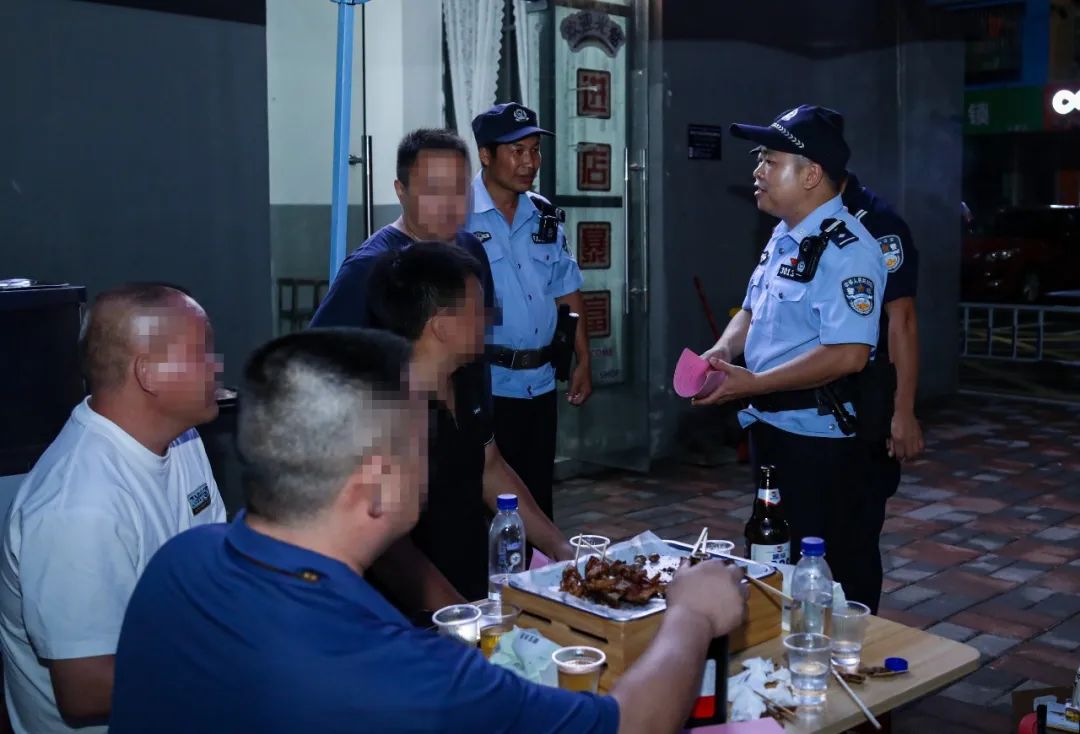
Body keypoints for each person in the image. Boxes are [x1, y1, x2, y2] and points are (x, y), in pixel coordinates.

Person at [109, 328, 749, 734]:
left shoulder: (178, 563)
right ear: (376, 482)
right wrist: (691, 614)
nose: (431, 465)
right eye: (421, 445)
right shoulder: (409, 675)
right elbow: (631, 724)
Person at [0, 283, 225, 734]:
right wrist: (246, 658)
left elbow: (215, 560)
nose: (216, 366)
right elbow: (85, 690)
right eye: (202, 353)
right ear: (149, 374)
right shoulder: (77, 508)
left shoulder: (182, 437)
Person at [693, 105, 887, 607]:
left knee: (832, 573)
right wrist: (723, 349)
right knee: (776, 558)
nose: (757, 171)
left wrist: (755, 383)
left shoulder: (849, 250)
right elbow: (751, 310)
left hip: (821, 444)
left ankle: (848, 652)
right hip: (771, 429)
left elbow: (848, 354)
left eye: (770, 160)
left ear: (811, 175)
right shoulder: (786, 234)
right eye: (759, 159)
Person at [365, 242, 571, 612]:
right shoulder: (385, 411)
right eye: (478, 310)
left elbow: (490, 468)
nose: (490, 320)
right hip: (420, 619)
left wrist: (558, 545)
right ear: (442, 327)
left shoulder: (466, 378)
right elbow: (391, 552)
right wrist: (464, 617)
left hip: (477, 589)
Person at [467, 102, 592, 523]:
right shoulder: (457, 216)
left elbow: (566, 289)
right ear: (486, 155)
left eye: (535, 151)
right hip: (485, 386)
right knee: (484, 510)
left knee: (537, 501)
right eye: (517, 151)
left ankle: (534, 568)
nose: (530, 162)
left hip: (539, 386)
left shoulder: (544, 215)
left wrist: (583, 358)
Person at [841, 171, 924, 613]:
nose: (761, 173)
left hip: (866, 395)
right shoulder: (795, 221)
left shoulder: (878, 223)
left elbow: (901, 320)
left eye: (773, 162)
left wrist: (902, 412)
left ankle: (858, 636)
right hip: (813, 405)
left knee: (855, 534)